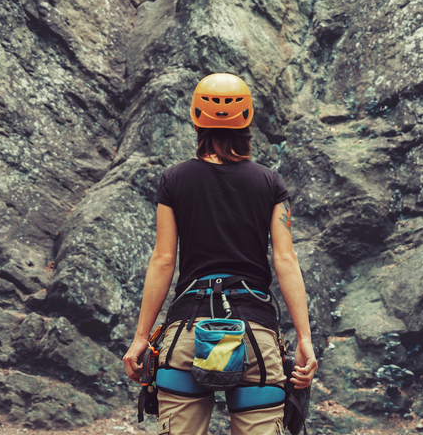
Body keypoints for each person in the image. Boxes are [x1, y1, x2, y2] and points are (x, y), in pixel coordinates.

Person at [123, 73, 318, 435]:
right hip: (254, 336)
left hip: (186, 332)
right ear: (247, 121)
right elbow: (286, 260)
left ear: (196, 120)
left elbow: (163, 260)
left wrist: (141, 337)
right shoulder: (270, 183)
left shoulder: (174, 179)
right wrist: (304, 340)